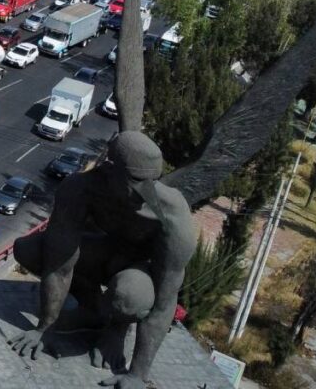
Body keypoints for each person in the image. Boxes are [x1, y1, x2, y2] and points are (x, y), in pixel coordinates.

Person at [10, 132, 196, 389]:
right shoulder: (79, 188)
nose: (146, 191)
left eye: (152, 180)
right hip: (100, 252)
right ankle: (92, 309)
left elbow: (165, 301)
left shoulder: (173, 215)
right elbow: (60, 263)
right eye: (137, 180)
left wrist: (137, 375)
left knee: (130, 296)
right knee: (29, 249)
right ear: (110, 170)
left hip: (135, 270)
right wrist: (45, 329)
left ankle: (115, 329)